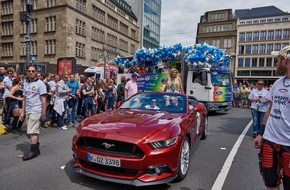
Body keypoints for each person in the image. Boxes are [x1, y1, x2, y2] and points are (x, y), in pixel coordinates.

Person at [253, 45, 290, 190]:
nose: (276, 63)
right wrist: (261, 134)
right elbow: (270, 109)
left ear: (285, 60)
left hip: (288, 144)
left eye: (277, 59)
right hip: (269, 140)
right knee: (270, 183)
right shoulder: (277, 83)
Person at [19, 65, 47, 161]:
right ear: (27, 72)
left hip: (36, 110)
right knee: (35, 131)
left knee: (32, 132)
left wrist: (43, 114)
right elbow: (24, 99)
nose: (31, 72)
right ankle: (36, 149)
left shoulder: (40, 84)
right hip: (29, 111)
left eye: (33, 71)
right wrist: (22, 112)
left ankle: (33, 151)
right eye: (29, 71)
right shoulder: (26, 83)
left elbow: (43, 100)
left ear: (36, 72)